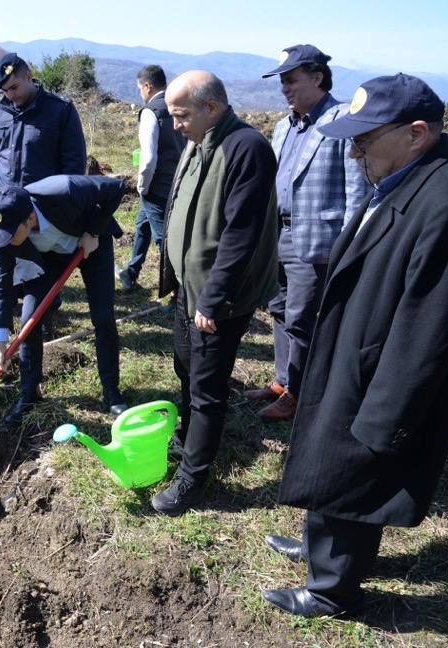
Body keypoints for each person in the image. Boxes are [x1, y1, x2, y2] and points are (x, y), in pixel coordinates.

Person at [262, 74, 448, 618]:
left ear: (416, 133)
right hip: (353, 341)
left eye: (365, 138)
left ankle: (332, 588)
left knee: (356, 462)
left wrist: (388, 414)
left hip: (380, 366)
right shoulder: (400, 176)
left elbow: (429, 326)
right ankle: (322, 547)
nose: (355, 149)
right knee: (329, 454)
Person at [154, 71, 279, 516]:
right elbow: (180, 207)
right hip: (188, 290)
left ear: (212, 108)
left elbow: (241, 235)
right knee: (185, 366)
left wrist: (213, 298)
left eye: (181, 115)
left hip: (216, 299)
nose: (175, 125)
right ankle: (189, 439)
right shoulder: (198, 138)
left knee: (207, 386)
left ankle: (194, 478)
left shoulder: (247, 148)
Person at [245, 45, 370, 423]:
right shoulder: (284, 126)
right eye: (282, 81)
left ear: (317, 78)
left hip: (319, 240)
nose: (285, 88)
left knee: (303, 317)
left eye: (291, 79)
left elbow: (357, 190)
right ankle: (283, 381)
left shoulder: (341, 120)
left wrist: (350, 246)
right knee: (280, 309)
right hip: (278, 235)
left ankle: (300, 393)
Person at [0, 176, 128, 424]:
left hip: (91, 244)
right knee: (29, 320)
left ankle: (111, 391)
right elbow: (0, 287)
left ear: (30, 218)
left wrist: (93, 230)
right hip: (49, 258)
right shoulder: (2, 233)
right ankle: (29, 393)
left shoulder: (64, 190)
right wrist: (0, 343)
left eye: (10, 235)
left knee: (103, 318)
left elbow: (116, 188)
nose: (2, 240)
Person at [0, 53, 87, 221]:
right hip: (1, 204)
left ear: (28, 76)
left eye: (14, 88)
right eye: (4, 91)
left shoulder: (60, 110)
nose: (10, 96)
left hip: (44, 207)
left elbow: (74, 162)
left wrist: (65, 205)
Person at [116, 64, 184, 292]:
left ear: (147, 86)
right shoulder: (178, 106)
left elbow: (148, 158)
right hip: (178, 184)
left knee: (164, 242)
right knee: (142, 225)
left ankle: (179, 296)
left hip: (157, 187)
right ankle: (131, 272)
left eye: (139, 89)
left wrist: (142, 186)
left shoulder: (150, 112)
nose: (140, 94)